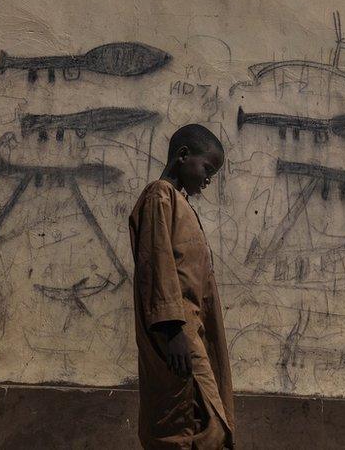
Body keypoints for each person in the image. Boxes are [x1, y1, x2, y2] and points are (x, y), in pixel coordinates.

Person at [128, 124, 235, 449]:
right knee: (198, 426)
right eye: (207, 168)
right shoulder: (160, 195)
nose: (208, 179)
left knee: (205, 422)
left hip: (194, 332)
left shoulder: (179, 201)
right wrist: (173, 330)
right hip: (177, 334)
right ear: (183, 156)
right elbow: (157, 262)